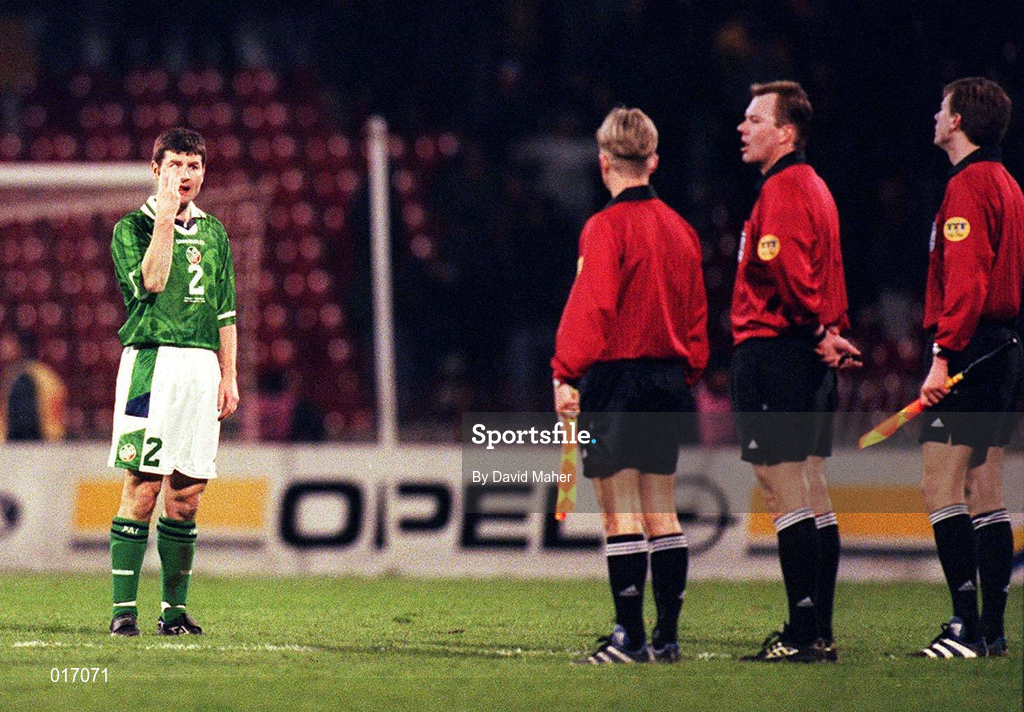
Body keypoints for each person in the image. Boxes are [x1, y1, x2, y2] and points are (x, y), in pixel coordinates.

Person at [552, 107, 708, 664]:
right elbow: (696, 317)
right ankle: (666, 638)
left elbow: (591, 306)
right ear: (654, 160)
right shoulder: (681, 229)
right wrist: (683, 373)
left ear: (603, 164)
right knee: (661, 511)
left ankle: (628, 638)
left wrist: (565, 370)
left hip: (618, 377)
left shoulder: (604, 227)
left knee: (620, 514)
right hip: (666, 376)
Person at [730, 81, 860, 662]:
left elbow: (785, 268)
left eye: (756, 118)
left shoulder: (782, 188)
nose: (743, 126)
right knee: (811, 491)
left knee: (784, 493)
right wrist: (828, 332)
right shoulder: (815, 186)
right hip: (807, 356)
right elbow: (822, 271)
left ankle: (802, 633)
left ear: (786, 132)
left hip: (777, 352)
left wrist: (813, 331)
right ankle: (821, 630)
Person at [106, 127, 239, 637]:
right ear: (155, 169)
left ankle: (174, 613)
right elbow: (155, 281)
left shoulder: (215, 234)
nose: (185, 175)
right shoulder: (130, 230)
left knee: (187, 494)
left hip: (202, 370)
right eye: (176, 165)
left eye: (194, 166)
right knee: (142, 487)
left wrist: (229, 375)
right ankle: (123, 612)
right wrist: (164, 221)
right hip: (150, 367)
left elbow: (226, 312)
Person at [912, 77, 1023, 659]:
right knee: (985, 490)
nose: (935, 115)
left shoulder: (969, 185)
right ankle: (992, 632)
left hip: (971, 350)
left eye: (941, 106)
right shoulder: (1006, 183)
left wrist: (942, 357)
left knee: (939, 486)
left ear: (957, 122)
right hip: (1002, 349)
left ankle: (963, 625)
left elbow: (968, 281)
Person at [0, 331, 67, 442]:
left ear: (21, 348)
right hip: (51, 438)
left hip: (38, 442)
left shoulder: (26, 378)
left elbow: (24, 424)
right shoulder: (42, 372)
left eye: (8, 344)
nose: (3, 348)